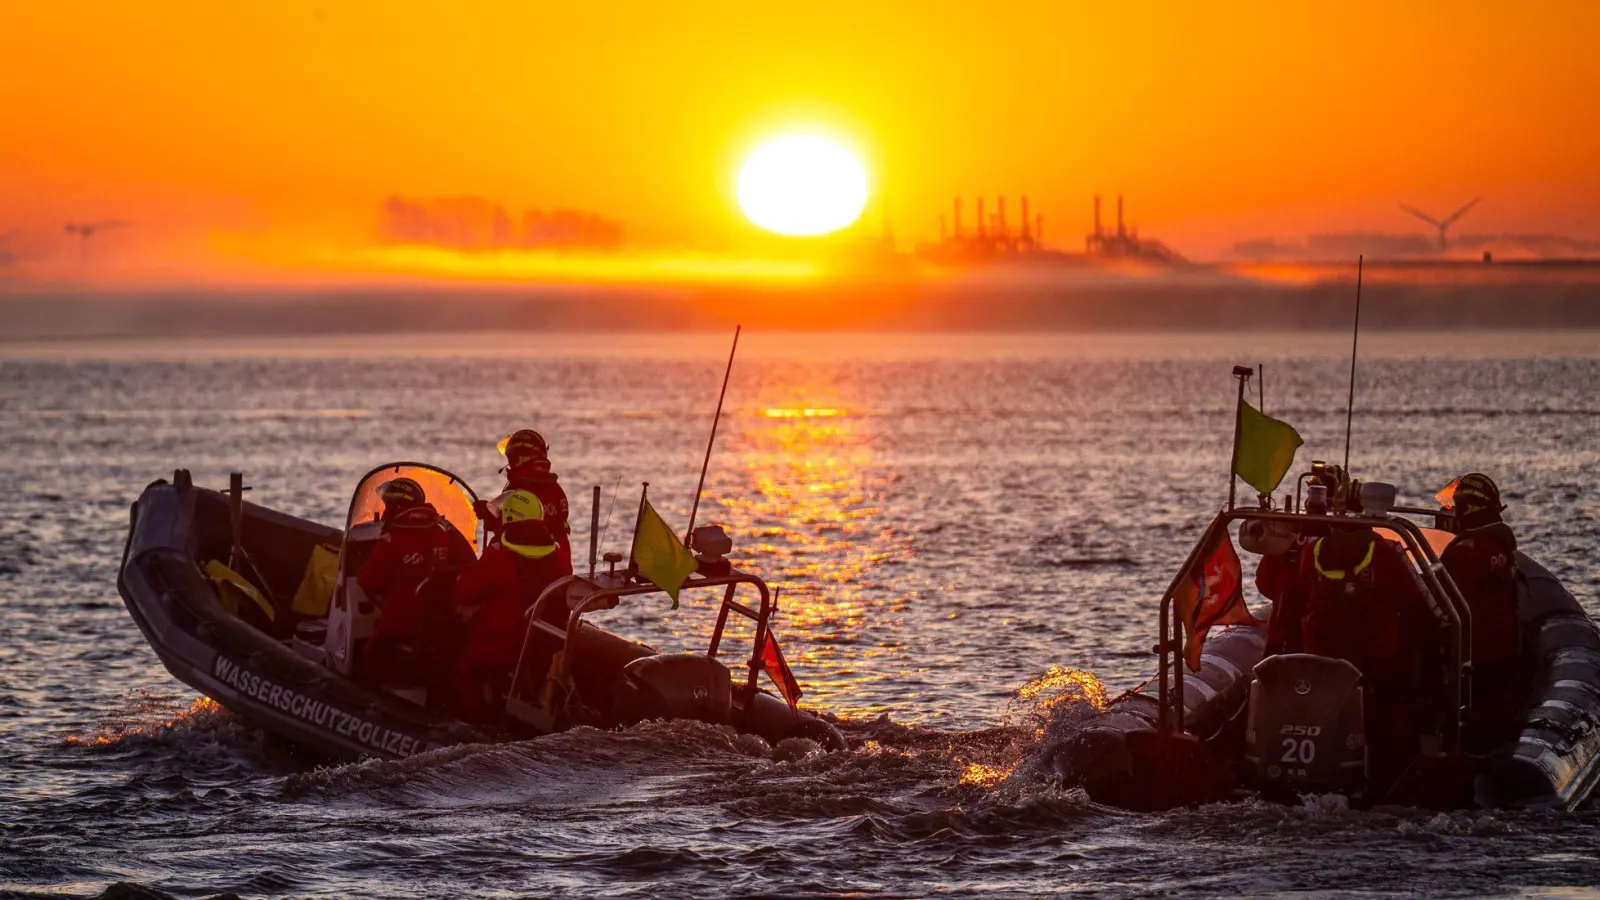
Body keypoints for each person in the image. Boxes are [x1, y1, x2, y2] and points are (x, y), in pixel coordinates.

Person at [450, 490, 572, 724]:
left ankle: (477, 725)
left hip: (501, 640)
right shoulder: (556, 552)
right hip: (540, 640)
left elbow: (466, 591)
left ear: (510, 517)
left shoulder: (500, 554)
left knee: (464, 672)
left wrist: (461, 576)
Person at [356, 477, 476, 684]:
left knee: (369, 658)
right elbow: (470, 563)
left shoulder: (391, 540)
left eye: (388, 505)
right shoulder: (445, 532)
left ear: (396, 506)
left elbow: (367, 581)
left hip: (399, 623)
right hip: (441, 621)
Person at [1440, 473, 1523, 742]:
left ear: (1468, 509)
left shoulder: (1465, 552)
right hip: (1503, 650)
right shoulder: (1500, 542)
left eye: (1457, 506)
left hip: (1476, 657)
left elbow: (1447, 610)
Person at [480, 429, 572, 568]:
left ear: (523, 458)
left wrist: (487, 515)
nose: (510, 465)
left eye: (512, 459)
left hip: (526, 569)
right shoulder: (555, 489)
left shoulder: (518, 490)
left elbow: (509, 531)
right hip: (559, 566)